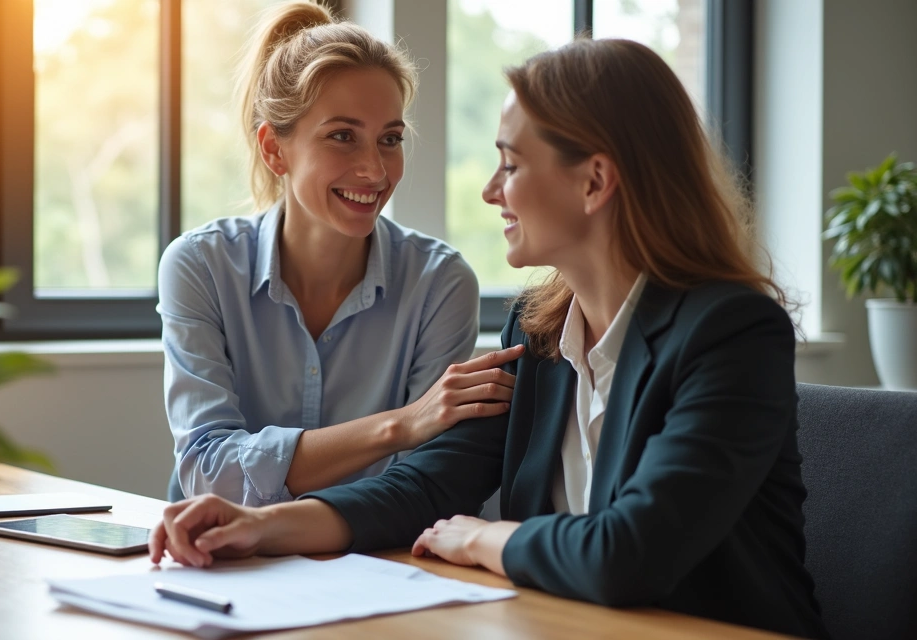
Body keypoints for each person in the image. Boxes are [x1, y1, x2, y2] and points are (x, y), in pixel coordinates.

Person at [149, 37, 829, 639]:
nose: (488, 192)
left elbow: (630, 554)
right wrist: (259, 526)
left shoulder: (732, 334)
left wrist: (487, 537)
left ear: (594, 182)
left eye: (509, 164)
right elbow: (423, 486)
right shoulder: (536, 331)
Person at [157, 0, 521, 507]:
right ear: (273, 149)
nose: (375, 170)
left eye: (389, 139)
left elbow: (430, 487)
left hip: (377, 566)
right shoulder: (200, 266)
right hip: (226, 567)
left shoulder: (439, 283)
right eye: (342, 137)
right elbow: (208, 471)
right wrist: (401, 425)